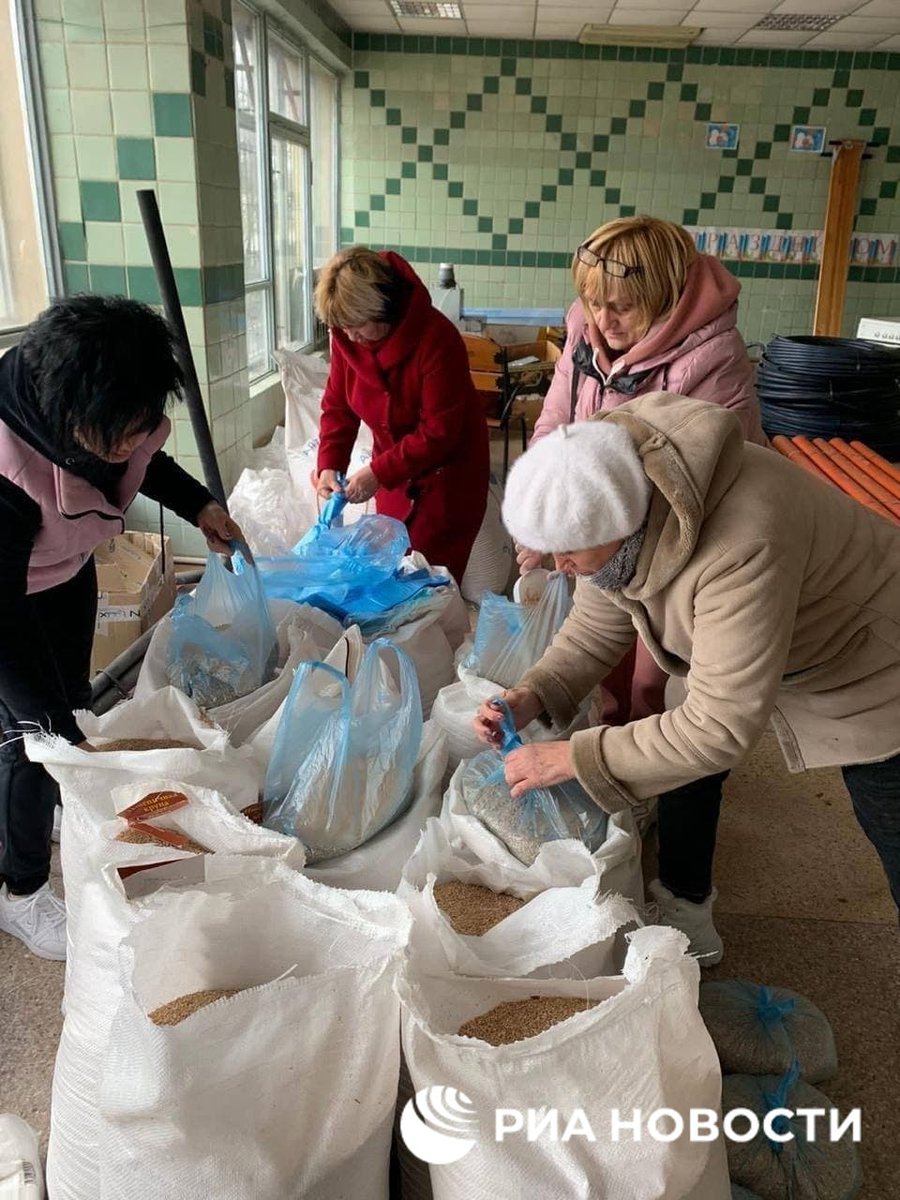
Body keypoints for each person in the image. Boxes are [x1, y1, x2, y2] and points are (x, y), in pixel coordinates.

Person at [475, 393, 900, 964]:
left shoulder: (742, 541)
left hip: (869, 657)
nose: (557, 568)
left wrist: (574, 756)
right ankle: (686, 912)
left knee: (888, 814)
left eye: (567, 553)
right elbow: (596, 624)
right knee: (677, 764)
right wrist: (535, 693)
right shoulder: (615, 491)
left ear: (624, 526)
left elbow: (721, 727)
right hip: (763, 633)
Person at [0, 295, 245, 960]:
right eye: (118, 433)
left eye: (141, 426)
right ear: (67, 413)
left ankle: (58, 810)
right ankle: (19, 893)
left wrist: (200, 506)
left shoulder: (101, 414)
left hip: (61, 570)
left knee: (74, 706)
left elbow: (138, 462)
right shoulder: (7, 458)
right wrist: (52, 724)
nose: (130, 445)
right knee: (35, 741)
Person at [522, 215, 767, 729]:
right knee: (597, 635)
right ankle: (612, 742)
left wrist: (577, 532)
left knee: (660, 664)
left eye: (622, 306)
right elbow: (555, 421)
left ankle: (646, 757)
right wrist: (548, 515)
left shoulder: (714, 358)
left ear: (663, 297)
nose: (603, 319)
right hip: (610, 529)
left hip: (683, 534)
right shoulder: (584, 333)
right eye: (593, 302)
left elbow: (701, 488)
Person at [312, 247, 489, 585]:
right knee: (391, 570)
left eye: (356, 326)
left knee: (429, 581)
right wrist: (329, 463)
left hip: (446, 478)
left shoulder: (437, 340)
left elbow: (439, 430)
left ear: (383, 309)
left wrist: (378, 472)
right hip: (394, 477)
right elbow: (338, 406)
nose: (350, 337)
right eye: (342, 328)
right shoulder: (348, 340)